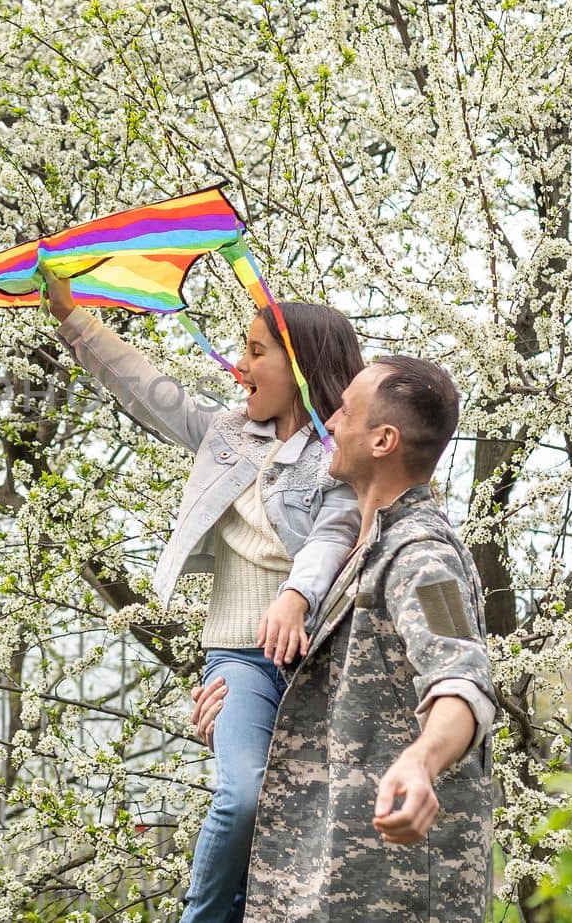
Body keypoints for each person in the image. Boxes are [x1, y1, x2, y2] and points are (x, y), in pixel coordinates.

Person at [41, 268, 362, 923]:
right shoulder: (226, 435)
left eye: (255, 351)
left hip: (317, 661)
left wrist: (297, 597)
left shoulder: (337, 460)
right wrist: (74, 318)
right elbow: (149, 392)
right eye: (241, 348)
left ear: (298, 367)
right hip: (240, 662)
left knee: (310, 820)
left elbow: (333, 537)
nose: (239, 363)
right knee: (243, 794)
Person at [193, 356, 497, 921]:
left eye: (346, 412)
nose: (328, 421)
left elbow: (461, 679)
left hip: (389, 894)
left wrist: (422, 762)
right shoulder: (355, 556)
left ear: (382, 440)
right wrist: (241, 722)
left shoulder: (421, 556)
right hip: (315, 881)